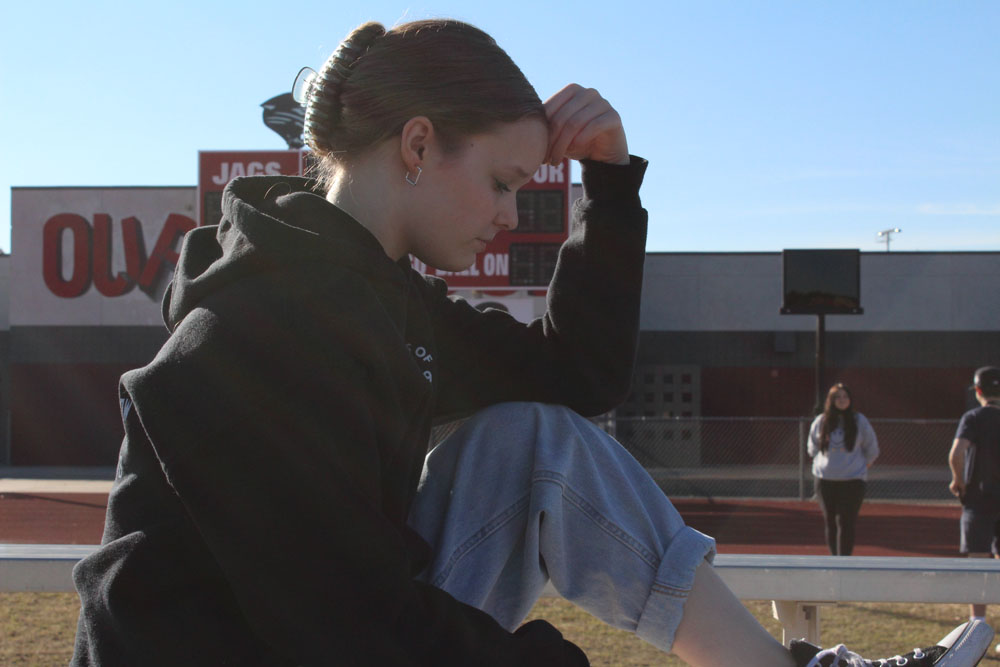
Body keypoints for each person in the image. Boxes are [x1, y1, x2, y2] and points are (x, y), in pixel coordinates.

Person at [69, 18, 992, 667]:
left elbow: (573, 377)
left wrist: (613, 187)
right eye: (506, 182)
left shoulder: (385, 302)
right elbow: (342, 625)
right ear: (419, 145)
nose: (512, 219)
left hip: (325, 631)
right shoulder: (242, 336)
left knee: (532, 440)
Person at [949, 366, 1000, 625]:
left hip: (979, 498)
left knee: (978, 563)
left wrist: (959, 480)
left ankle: (977, 627)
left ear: (978, 391)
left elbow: (957, 452)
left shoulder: (973, 417)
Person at [807, 383, 880, 556]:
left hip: (853, 481)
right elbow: (812, 448)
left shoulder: (859, 421)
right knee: (830, 522)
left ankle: (845, 562)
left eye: (845, 397)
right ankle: (834, 561)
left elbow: (872, 449)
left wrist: (861, 467)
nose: (842, 400)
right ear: (831, 400)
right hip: (825, 480)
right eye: (837, 397)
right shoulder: (821, 421)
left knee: (846, 522)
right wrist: (822, 464)